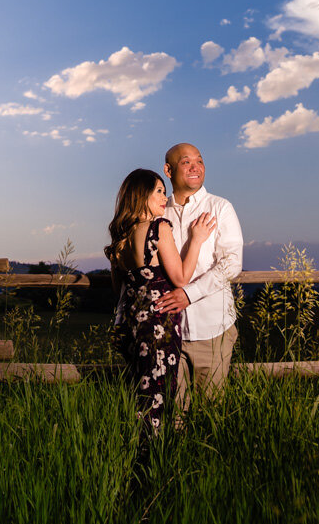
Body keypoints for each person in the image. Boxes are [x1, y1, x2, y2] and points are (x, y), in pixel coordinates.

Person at [105, 168, 216, 434]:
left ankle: (136, 450)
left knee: (141, 392)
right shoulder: (158, 227)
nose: (164, 197)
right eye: (158, 191)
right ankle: (151, 460)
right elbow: (180, 277)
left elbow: (118, 288)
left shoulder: (121, 238)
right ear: (141, 195)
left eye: (164, 191)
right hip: (158, 326)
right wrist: (197, 240)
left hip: (130, 328)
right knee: (159, 395)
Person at [152, 142, 244, 408]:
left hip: (212, 328)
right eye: (186, 162)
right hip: (167, 331)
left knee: (210, 411)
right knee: (174, 412)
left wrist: (189, 294)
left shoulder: (220, 208)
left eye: (200, 161)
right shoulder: (160, 211)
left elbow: (232, 263)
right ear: (168, 170)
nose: (196, 167)